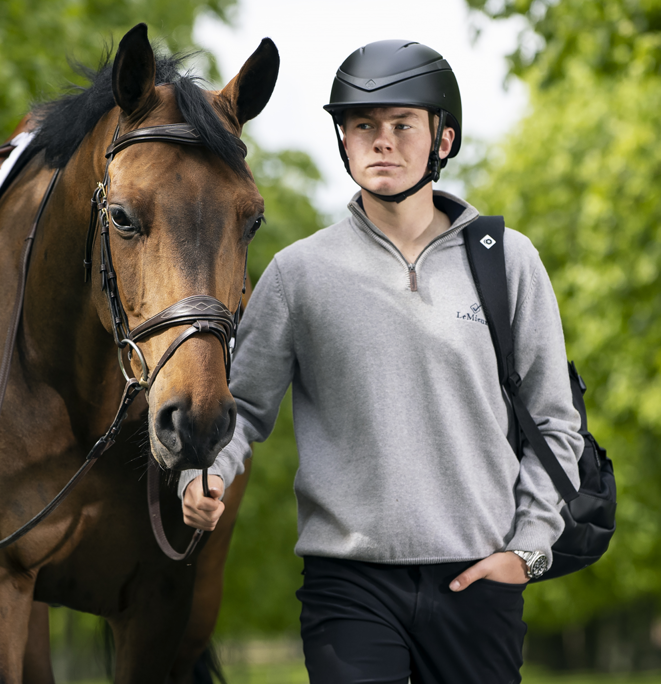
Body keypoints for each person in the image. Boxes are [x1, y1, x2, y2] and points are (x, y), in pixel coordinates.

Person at [178, 39, 584, 684]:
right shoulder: (298, 274)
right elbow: (243, 410)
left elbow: (555, 422)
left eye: (402, 125)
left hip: (478, 581)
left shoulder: (509, 262)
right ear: (343, 140)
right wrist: (205, 476)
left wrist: (527, 552)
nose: (381, 141)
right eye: (362, 126)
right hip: (349, 586)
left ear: (443, 139)